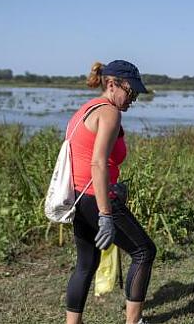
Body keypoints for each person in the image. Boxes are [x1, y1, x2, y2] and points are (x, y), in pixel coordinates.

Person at [65, 60, 156, 324]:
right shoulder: (109, 113)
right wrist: (105, 214)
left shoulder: (86, 109)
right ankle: (134, 322)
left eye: (137, 93)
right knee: (144, 251)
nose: (134, 98)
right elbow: (97, 162)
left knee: (86, 264)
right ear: (112, 84)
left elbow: (82, 156)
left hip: (80, 197)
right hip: (97, 198)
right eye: (131, 92)